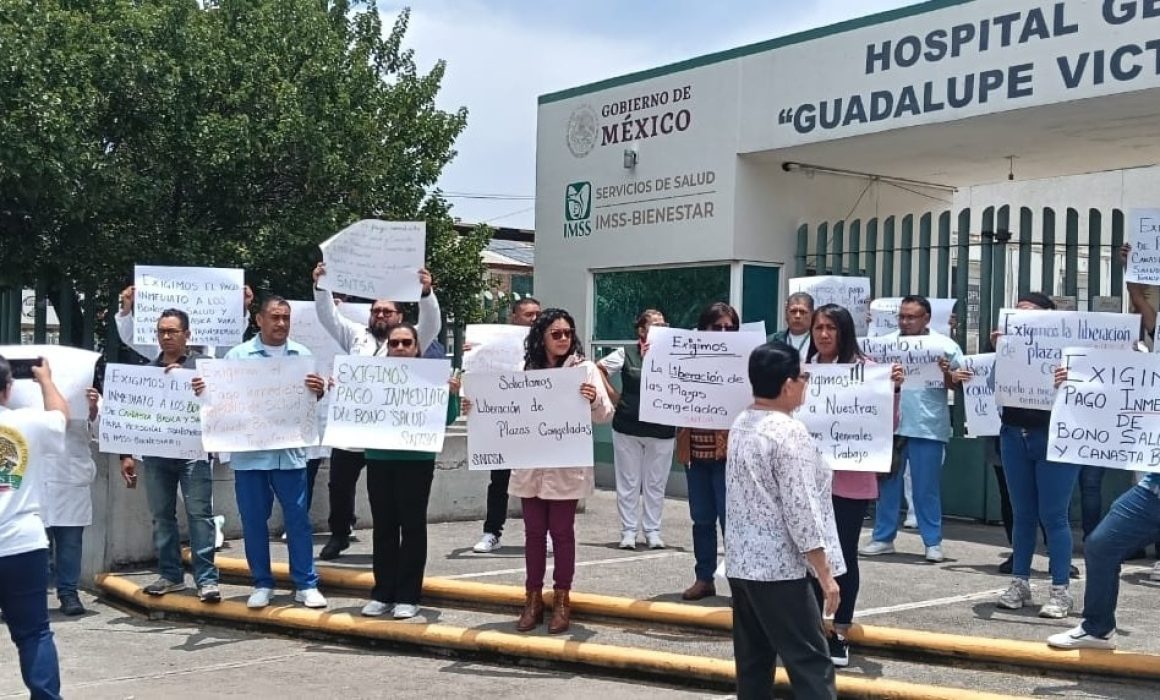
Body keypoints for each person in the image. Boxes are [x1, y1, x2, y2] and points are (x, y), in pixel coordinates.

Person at [192, 296, 328, 609]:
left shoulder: (303, 356)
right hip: (250, 455)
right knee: (253, 521)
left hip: (289, 453)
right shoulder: (238, 356)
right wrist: (205, 390)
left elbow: (308, 403)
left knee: (298, 520)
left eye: (286, 318)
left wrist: (317, 392)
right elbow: (221, 399)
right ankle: (262, 583)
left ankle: (306, 584)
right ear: (259, 320)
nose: (281, 323)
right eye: (275, 317)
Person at [726, 341, 841, 700]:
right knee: (810, 662)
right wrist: (824, 573)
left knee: (753, 662)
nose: (806, 383)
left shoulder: (742, 422)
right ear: (788, 384)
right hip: (779, 567)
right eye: (804, 377)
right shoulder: (788, 432)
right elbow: (800, 507)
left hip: (742, 561)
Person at [311, 262, 441, 560]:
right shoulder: (355, 334)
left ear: (400, 316)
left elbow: (432, 321)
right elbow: (328, 316)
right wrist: (321, 286)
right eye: (376, 311)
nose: (380, 315)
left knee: (389, 495)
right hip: (354, 428)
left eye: (387, 311)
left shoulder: (410, 339)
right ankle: (340, 533)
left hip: (390, 435)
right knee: (339, 484)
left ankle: (392, 546)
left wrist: (426, 293)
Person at [501, 308, 612, 635]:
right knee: (533, 533)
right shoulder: (525, 370)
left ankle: (562, 598)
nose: (563, 339)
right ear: (542, 337)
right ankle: (532, 598)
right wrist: (477, 407)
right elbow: (506, 410)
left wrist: (593, 399)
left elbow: (605, 415)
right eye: (556, 334)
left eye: (568, 333)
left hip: (566, 465)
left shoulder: (584, 369)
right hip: (531, 463)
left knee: (562, 532)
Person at [804, 305, 903, 667]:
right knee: (808, 555)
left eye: (831, 328)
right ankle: (811, 628)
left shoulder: (868, 370)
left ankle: (840, 630)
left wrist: (893, 390)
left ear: (844, 332)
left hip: (850, 482)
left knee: (842, 555)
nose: (823, 334)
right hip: (808, 481)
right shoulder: (803, 369)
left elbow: (888, 424)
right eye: (819, 327)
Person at [359, 323, 462, 619]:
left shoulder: (431, 378)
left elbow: (447, 418)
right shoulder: (371, 377)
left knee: (413, 526)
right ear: (387, 348)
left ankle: (408, 595)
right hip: (379, 458)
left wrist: (451, 395)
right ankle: (382, 593)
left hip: (417, 459)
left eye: (407, 343)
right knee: (384, 526)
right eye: (395, 343)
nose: (401, 348)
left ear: (417, 348)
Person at [117, 309, 221, 603]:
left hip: (194, 453)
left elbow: (226, 403)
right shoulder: (147, 372)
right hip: (157, 454)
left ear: (187, 335)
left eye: (172, 331)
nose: (166, 336)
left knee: (200, 515)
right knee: (162, 516)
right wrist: (126, 455)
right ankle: (171, 575)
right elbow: (132, 417)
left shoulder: (205, 367)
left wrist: (204, 388)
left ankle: (207, 580)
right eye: (161, 331)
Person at [987, 293, 1080, 618]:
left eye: (1030, 313)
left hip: (1054, 437)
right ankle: (1020, 582)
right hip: (1014, 433)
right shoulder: (1008, 348)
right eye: (1017, 312)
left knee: (1054, 515)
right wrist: (1000, 352)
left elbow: (1091, 388)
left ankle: (1060, 590)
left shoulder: (1069, 352)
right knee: (1022, 513)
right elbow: (993, 386)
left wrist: (1069, 378)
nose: (1022, 319)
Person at [860, 295, 966, 562]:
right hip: (892, 425)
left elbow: (960, 383)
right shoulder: (884, 345)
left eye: (911, 317)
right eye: (902, 316)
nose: (905, 322)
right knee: (888, 485)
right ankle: (883, 537)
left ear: (926, 318)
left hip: (927, 425)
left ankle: (932, 541)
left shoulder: (944, 346)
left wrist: (947, 373)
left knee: (925, 487)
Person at [0, 355, 68, 699]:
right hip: (22, 544)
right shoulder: (28, 422)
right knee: (34, 633)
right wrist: (45, 380)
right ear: (8, 388)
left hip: (22, 543)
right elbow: (60, 417)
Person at [677, 302, 739, 601]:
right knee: (701, 519)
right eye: (717, 327)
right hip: (695, 454)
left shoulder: (743, 361)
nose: (723, 333)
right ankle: (704, 578)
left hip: (729, 456)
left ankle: (741, 584)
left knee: (732, 522)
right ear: (703, 329)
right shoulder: (684, 358)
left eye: (730, 328)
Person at [598, 309, 675, 550]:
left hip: (662, 429)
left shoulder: (676, 353)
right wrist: (614, 396)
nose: (661, 328)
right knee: (628, 482)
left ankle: (653, 531)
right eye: (655, 325)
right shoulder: (626, 353)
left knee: (655, 484)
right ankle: (628, 531)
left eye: (664, 325)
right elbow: (598, 368)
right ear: (641, 330)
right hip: (628, 427)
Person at [472, 296, 541, 554]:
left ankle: (541, 531)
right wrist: (473, 354)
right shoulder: (494, 344)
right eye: (528, 315)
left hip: (535, 422)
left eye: (538, 314)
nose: (534, 319)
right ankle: (492, 532)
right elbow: (478, 375)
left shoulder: (546, 344)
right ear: (514, 317)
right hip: (503, 420)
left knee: (536, 480)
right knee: (499, 480)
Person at [42, 361, 101, 618]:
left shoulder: (87, 398)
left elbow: (102, 432)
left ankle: (68, 593)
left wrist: (93, 410)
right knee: (36, 545)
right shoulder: (30, 397)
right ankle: (30, 595)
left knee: (70, 543)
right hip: (38, 478)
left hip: (71, 478)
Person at [768, 292, 814, 360]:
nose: (797, 316)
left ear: (812, 314)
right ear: (786, 314)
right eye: (793, 311)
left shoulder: (820, 341)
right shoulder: (770, 341)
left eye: (802, 312)